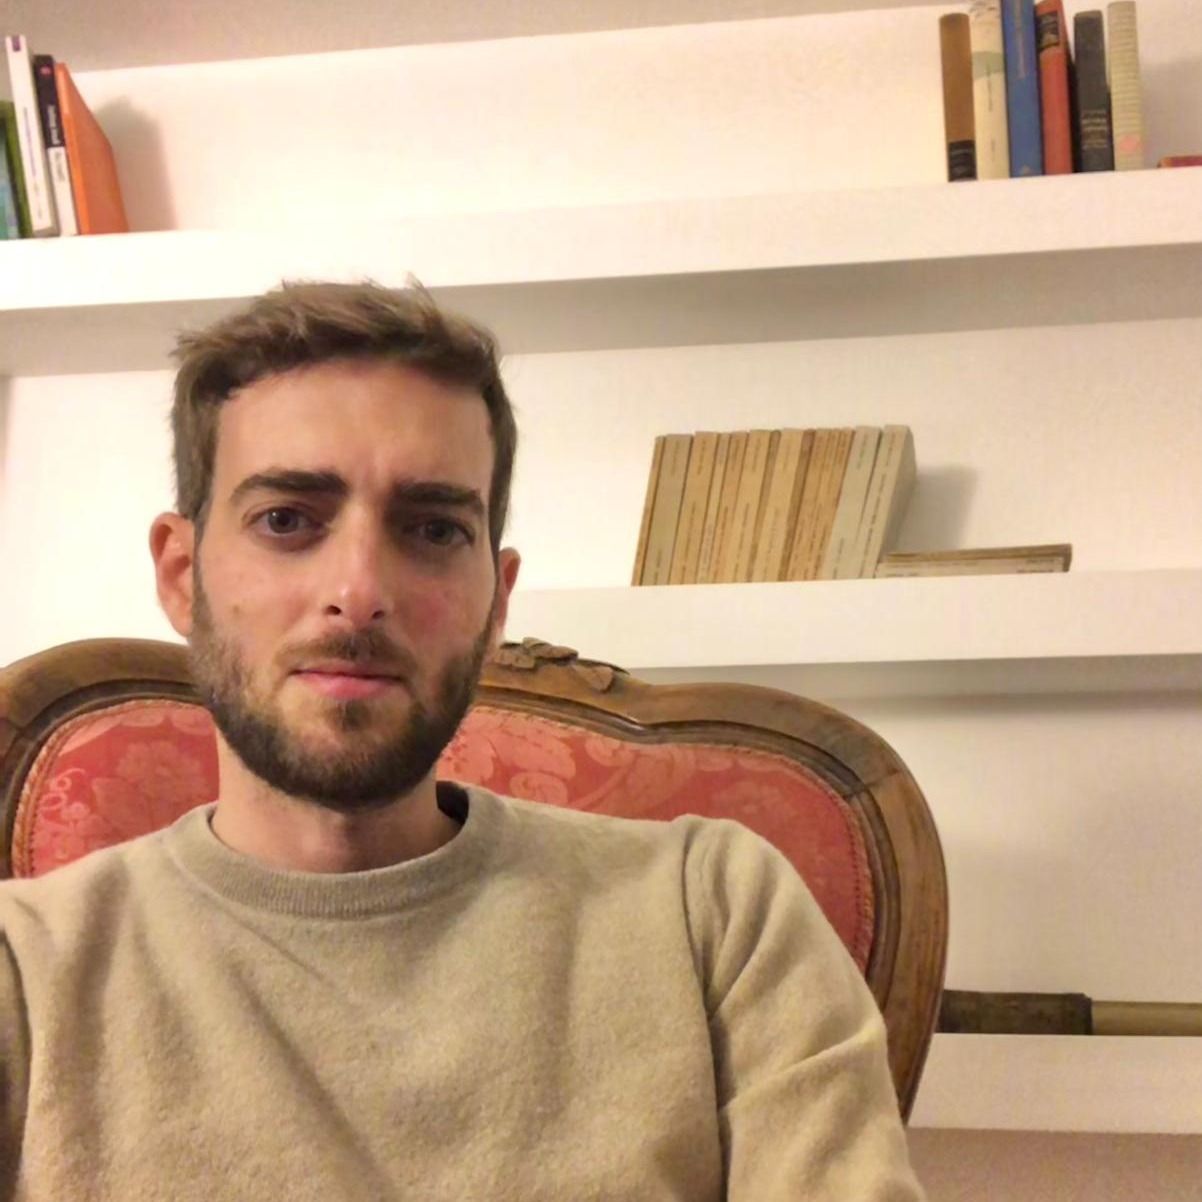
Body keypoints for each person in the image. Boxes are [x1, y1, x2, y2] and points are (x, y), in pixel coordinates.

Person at [0, 281, 925, 1200]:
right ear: (180, 573)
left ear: (498, 602)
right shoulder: (23, 972)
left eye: (434, 529)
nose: (359, 591)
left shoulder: (715, 911)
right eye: (287, 520)